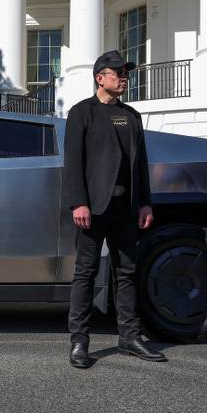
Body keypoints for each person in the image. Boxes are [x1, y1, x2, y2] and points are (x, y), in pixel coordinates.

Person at [62, 50, 165, 369]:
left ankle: (129, 337)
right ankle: (79, 341)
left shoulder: (132, 116)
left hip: (127, 209)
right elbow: (73, 163)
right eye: (117, 72)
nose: (124, 77)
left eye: (125, 73)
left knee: (127, 273)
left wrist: (145, 201)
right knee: (86, 274)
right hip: (93, 208)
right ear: (99, 77)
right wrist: (79, 202)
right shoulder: (82, 113)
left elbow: (141, 164)